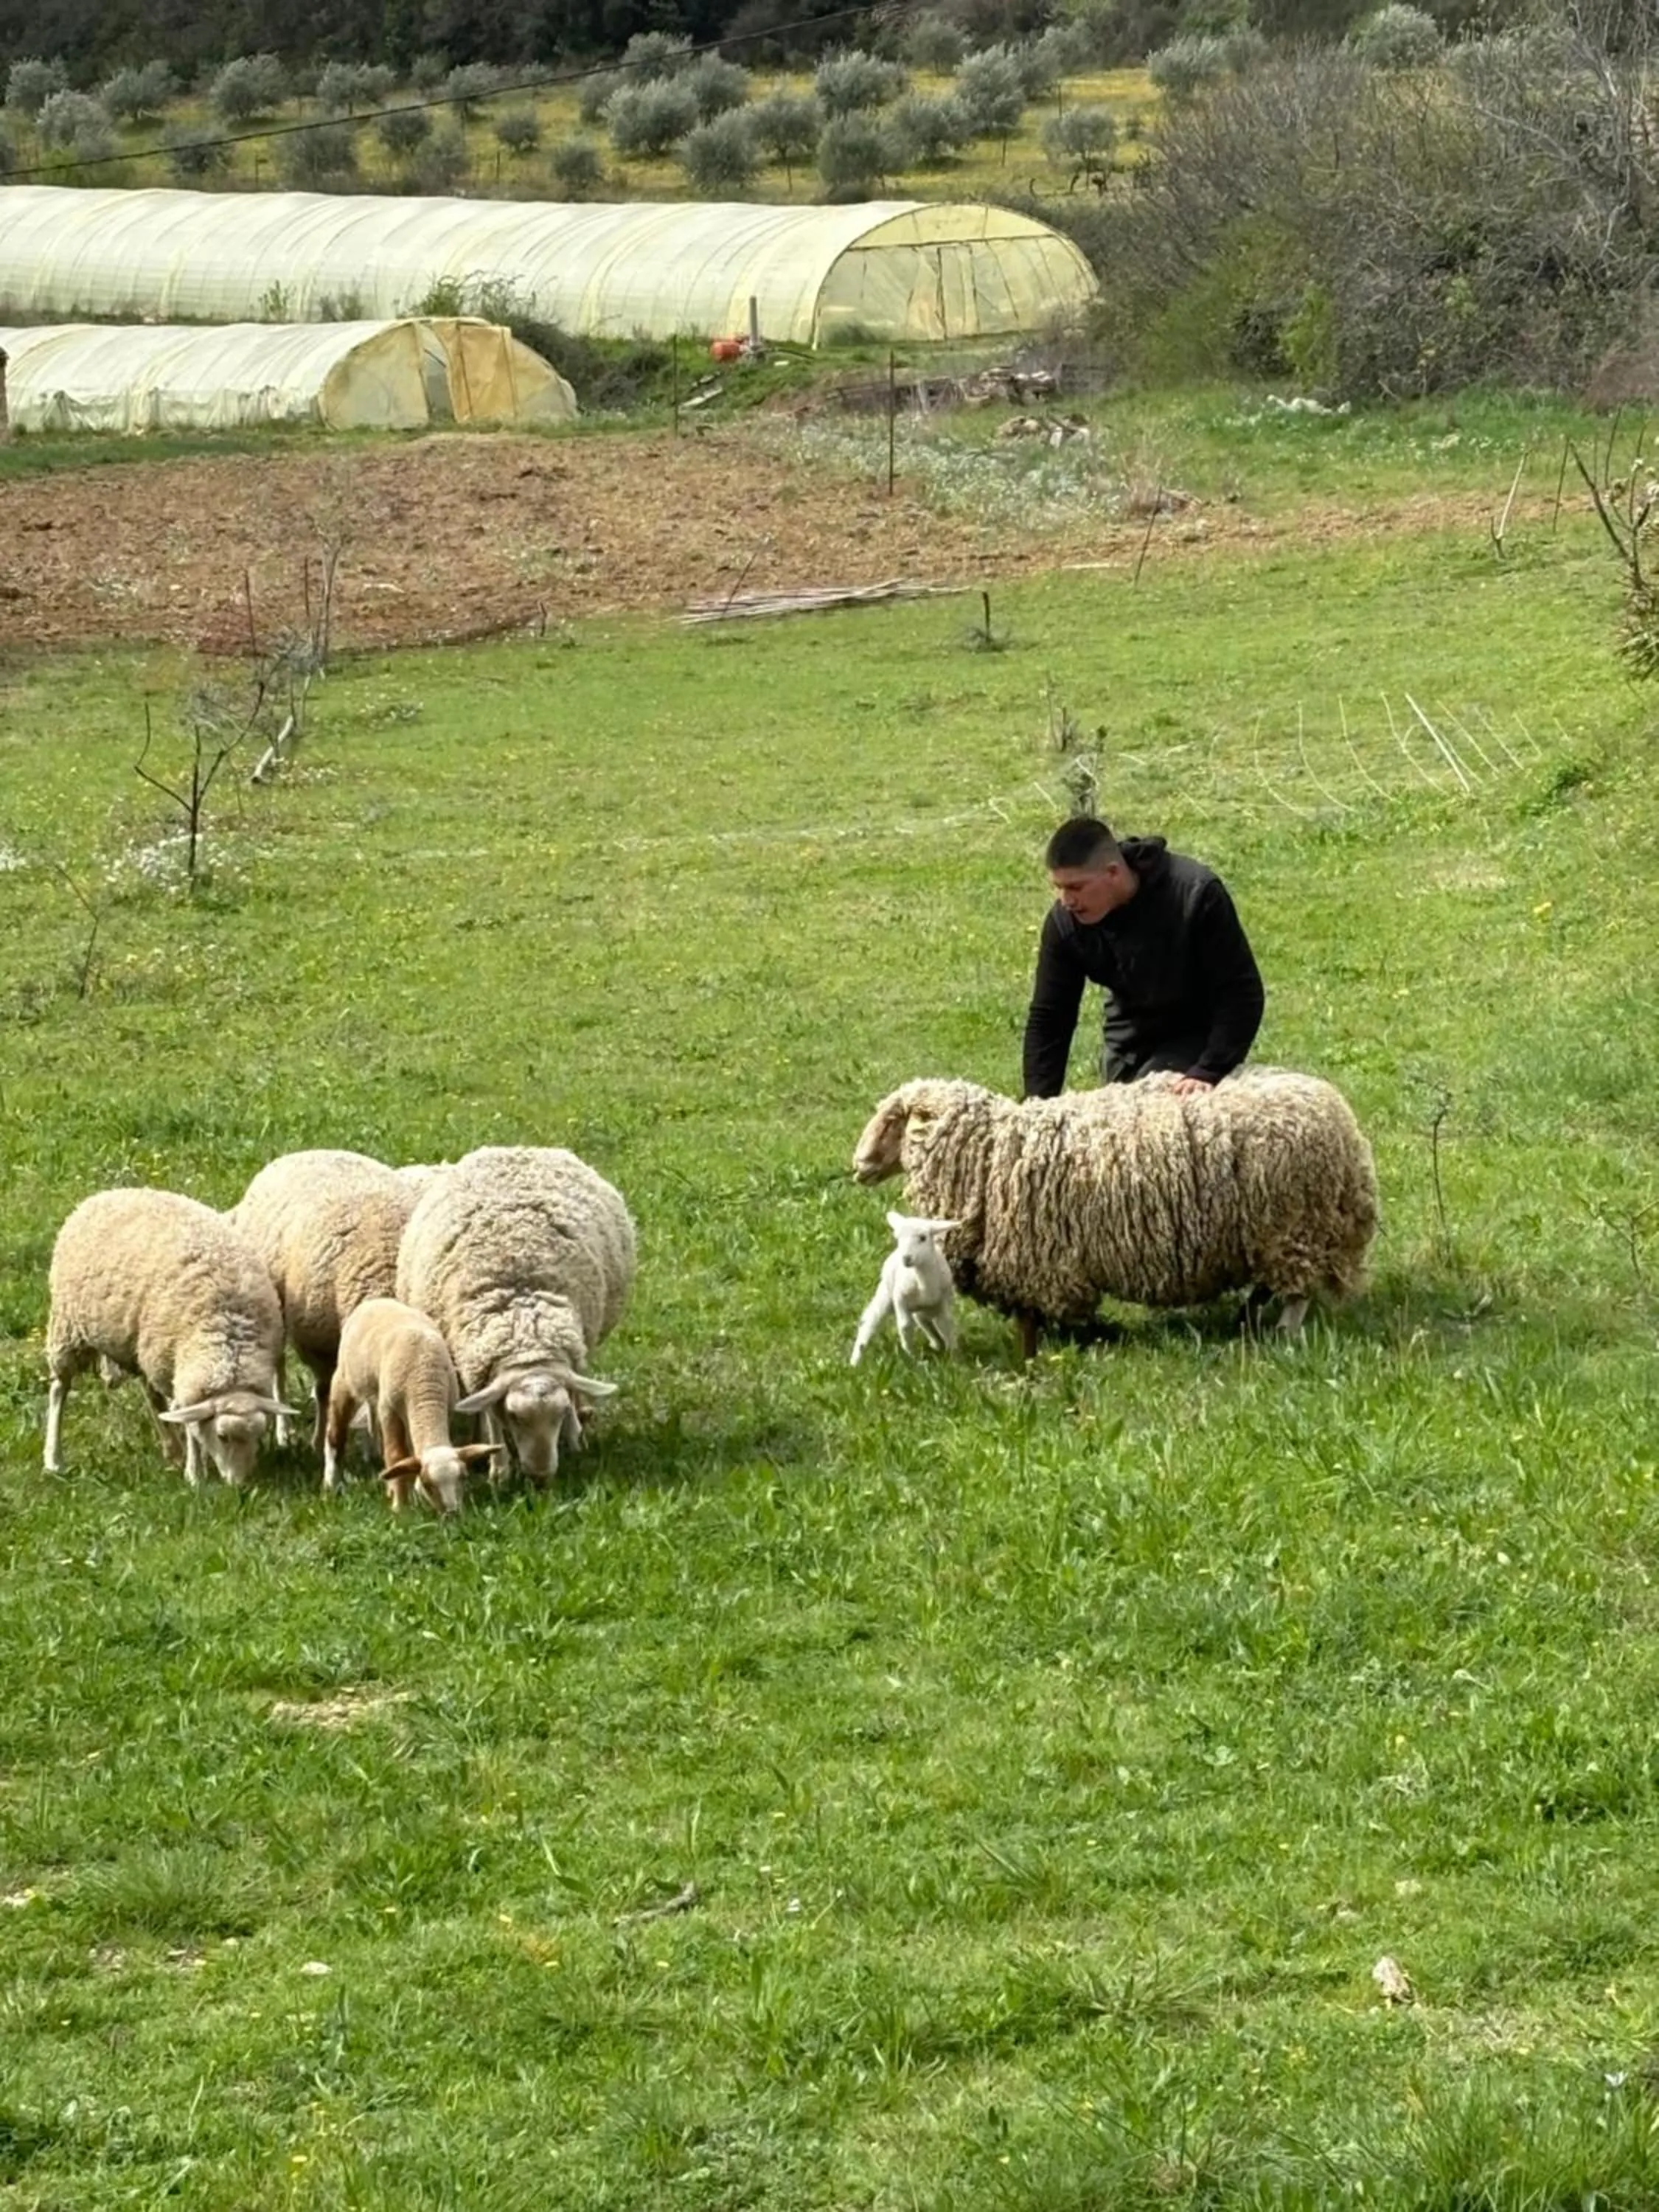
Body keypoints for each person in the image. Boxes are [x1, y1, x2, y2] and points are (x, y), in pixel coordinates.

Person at [1022, 816, 1264, 1099]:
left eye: (1076, 888)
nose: (1067, 901)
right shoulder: (1065, 923)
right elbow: (1051, 1017)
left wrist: (1209, 1069)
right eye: (1059, 887)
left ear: (1113, 873)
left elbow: (1240, 992)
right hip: (1127, 1039)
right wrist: (1038, 1104)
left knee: (1153, 1107)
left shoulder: (1196, 895)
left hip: (1195, 1033)